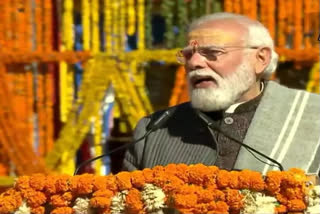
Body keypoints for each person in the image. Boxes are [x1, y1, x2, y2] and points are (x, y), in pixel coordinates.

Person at [122, 12, 320, 176]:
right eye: (188, 54)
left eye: (212, 52)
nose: (194, 63)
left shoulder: (312, 116)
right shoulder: (153, 130)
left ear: (260, 59)